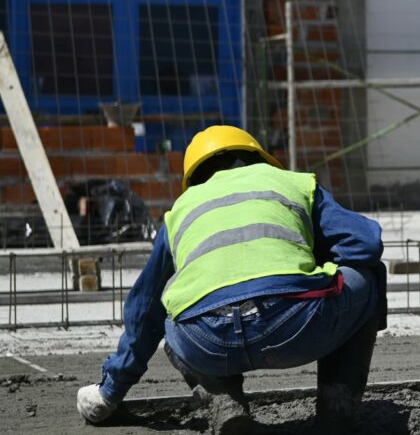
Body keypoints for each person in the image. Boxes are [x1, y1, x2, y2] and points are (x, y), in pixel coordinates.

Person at [75, 126, 387, 433]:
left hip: (207, 342)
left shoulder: (180, 211)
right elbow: (366, 245)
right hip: (295, 324)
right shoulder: (294, 183)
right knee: (367, 275)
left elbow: (144, 312)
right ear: (256, 156)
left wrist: (109, 391)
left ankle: (227, 411)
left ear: (193, 177)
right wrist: (315, 260)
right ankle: (337, 414)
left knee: (170, 318)